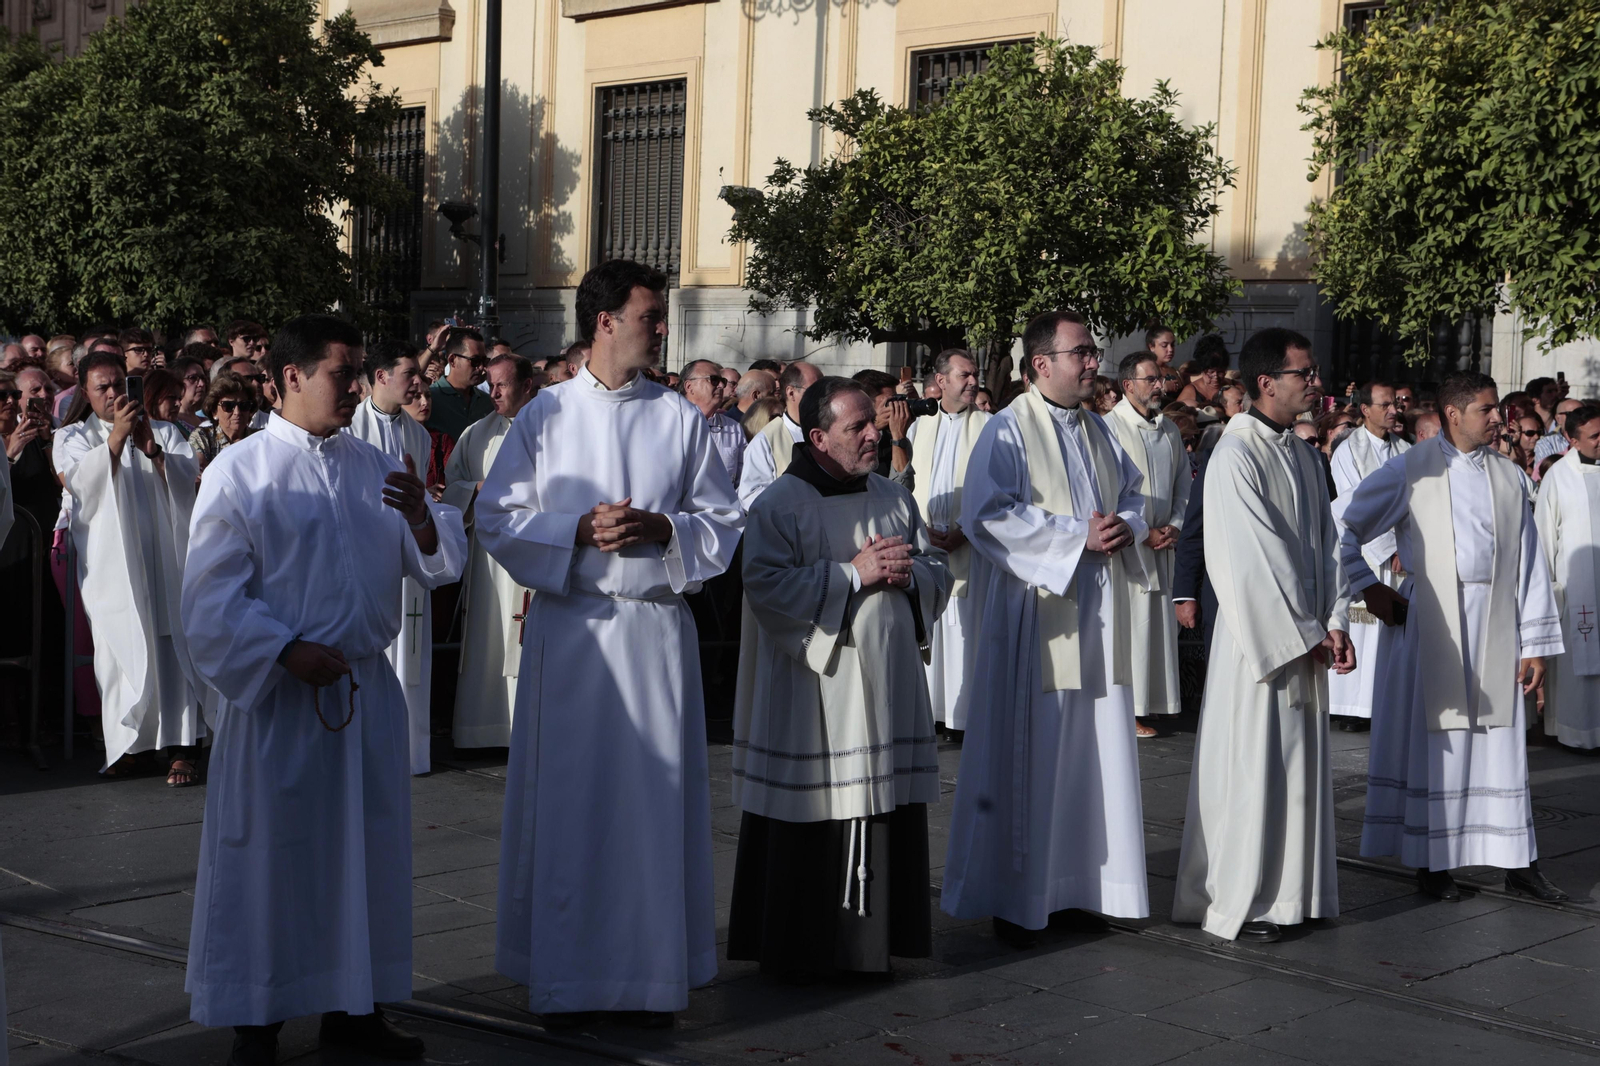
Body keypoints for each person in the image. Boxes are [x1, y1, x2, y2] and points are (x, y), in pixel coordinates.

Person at [182, 314, 465, 1066]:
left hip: (364, 690)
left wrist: (424, 522)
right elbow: (209, 599)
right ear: (290, 377)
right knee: (274, 861)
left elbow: (437, 562)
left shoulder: (374, 466)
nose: (356, 386)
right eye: (342, 372)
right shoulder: (240, 472)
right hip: (281, 698)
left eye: (360, 371)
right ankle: (258, 1020)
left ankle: (355, 1008)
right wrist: (283, 650)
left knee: (365, 859)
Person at [477, 259, 742, 1027]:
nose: (661, 329)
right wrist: (575, 530)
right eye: (650, 315)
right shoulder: (545, 415)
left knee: (651, 811)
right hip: (574, 633)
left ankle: (650, 981)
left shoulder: (678, 417)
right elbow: (496, 518)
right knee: (572, 810)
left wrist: (664, 527)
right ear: (605, 321)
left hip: (653, 634)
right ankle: (566, 982)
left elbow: (724, 523)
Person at [942, 311, 1153, 947]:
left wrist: (1128, 527)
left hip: (1096, 613)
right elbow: (986, 515)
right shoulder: (1007, 428)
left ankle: (1077, 887)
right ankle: (1019, 897)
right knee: (1035, 753)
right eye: (1081, 352)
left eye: (1092, 351)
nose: (1093, 362)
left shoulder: (1098, 427)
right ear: (1041, 364)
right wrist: (1073, 537)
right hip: (1035, 616)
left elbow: (1135, 494)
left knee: (1091, 751)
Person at [729, 376, 948, 979]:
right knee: (815, 812)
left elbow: (935, 567)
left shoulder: (893, 496)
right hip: (817, 696)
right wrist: (852, 575)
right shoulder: (779, 504)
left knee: (884, 809)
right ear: (819, 437)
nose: (875, 434)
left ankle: (871, 950)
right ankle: (803, 953)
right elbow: (765, 586)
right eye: (859, 427)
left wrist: (912, 576)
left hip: (887, 689)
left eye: (874, 422)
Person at [1340, 370, 1567, 904]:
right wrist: (1366, 584)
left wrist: (1535, 644)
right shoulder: (1411, 470)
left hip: (1496, 620)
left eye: (1497, 408)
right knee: (1438, 746)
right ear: (1453, 414)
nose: (1498, 419)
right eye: (1487, 409)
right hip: (1433, 623)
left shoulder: (1508, 475)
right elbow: (1343, 525)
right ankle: (1432, 859)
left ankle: (1518, 860)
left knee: (1499, 744)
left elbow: (1530, 561)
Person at [1172, 327, 1353, 943]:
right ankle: (1243, 899)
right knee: (1253, 768)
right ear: (1267, 382)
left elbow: (1328, 546)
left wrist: (1335, 620)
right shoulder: (1235, 452)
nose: (1316, 383)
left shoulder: (1303, 453)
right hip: (1259, 641)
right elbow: (1251, 558)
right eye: (1306, 373)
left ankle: (1295, 894)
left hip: (1304, 633)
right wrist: (1307, 630)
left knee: (1296, 768)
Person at [55, 351, 206, 784]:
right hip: (113, 566)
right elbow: (78, 483)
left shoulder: (164, 431)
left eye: (118, 384)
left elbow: (188, 479)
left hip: (167, 559)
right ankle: (130, 747)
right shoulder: (72, 437)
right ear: (84, 391)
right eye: (101, 386)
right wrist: (117, 439)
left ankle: (183, 748)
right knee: (118, 649)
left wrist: (152, 449)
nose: (112, 393)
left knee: (173, 646)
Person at [345, 339, 435, 775]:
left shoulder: (419, 434)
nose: (419, 381)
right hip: (366, 561)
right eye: (410, 374)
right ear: (381, 376)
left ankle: (410, 752)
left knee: (412, 659)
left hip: (409, 561)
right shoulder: (349, 428)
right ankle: (367, 750)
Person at [441, 354, 537, 749]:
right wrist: (475, 489)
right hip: (486, 558)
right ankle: (482, 730)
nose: (493, 393)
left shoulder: (553, 430)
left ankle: (528, 729)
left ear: (527, 386)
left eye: (502, 385)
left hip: (534, 552)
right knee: (488, 636)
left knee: (528, 637)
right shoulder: (476, 433)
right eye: (490, 385)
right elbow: (452, 489)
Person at [905, 349, 990, 739]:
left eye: (975, 374)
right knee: (931, 630)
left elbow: (999, 489)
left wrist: (964, 531)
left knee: (964, 633)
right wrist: (920, 529)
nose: (973, 381)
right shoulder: (918, 427)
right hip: (925, 544)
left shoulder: (990, 426)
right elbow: (905, 482)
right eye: (964, 375)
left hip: (969, 546)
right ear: (941, 381)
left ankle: (961, 717)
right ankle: (930, 713)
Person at [1107, 351, 1190, 735]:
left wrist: (1174, 525)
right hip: (1129, 547)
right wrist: (1142, 530)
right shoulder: (1109, 428)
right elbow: (1107, 490)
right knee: (1132, 627)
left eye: (1160, 379)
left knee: (1157, 625)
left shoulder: (1168, 429)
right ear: (1128, 385)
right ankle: (1130, 710)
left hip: (1163, 544)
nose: (1160, 385)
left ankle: (1154, 700)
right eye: (1151, 379)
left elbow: (1183, 486)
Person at [1327, 382, 1410, 734]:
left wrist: (1404, 547)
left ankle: (1378, 702)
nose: (1393, 410)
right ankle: (1348, 706)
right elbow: (1351, 507)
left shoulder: (1406, 450)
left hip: (1398, 560)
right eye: (1385, 404)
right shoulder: (1348, 449)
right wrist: (1389, 548)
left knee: (1384, 635)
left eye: (1395, 404)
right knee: (1360, 632)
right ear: (1365, 410)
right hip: (1361, 555)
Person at [1535, 404, 1600, 751]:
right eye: (1595, 436)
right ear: (1573, 440)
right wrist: (1545, 592)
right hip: (1577, 592)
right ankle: (1576, 733)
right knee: (1579, 664)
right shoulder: (1559, 476)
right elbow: (1544, 536)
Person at [739, 361, 821, 510]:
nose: (823, 396)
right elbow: (750, 495)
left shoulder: (829, 430)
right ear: (791, 393)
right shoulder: (766, 440)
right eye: (814, 390)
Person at [680, 358, 745, 487]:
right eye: (714, 380)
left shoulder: (733, 428)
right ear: (689, 387)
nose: (721, 386)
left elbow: (744, 478)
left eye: (723, 381)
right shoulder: (670, 423)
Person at [427, 326, 494, 441]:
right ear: (452, 360)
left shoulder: (488, 402)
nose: (481, 367)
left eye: (484, 361)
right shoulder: (429, 399)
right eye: (475, 361)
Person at [188, 373, 259, 475]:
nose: (237, 412)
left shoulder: (258, 439)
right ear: (214, 411)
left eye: (244, 405)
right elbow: (199, 475)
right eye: (228, 406)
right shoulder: (203, 437)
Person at [852, 370, 914, 485]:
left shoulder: (896, 439)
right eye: (889, 402)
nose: (895, 407)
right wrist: (873, 427)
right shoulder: (846, 439)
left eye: (897, 399)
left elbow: (903, 488)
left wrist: (898, 438)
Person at [1535, 397, 1584, 463]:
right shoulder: (1546, 443)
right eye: (1571, 414)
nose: (1578, 418)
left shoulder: (1594, 439)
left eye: (1582, 413)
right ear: (1558, 419)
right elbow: (1545, 468)